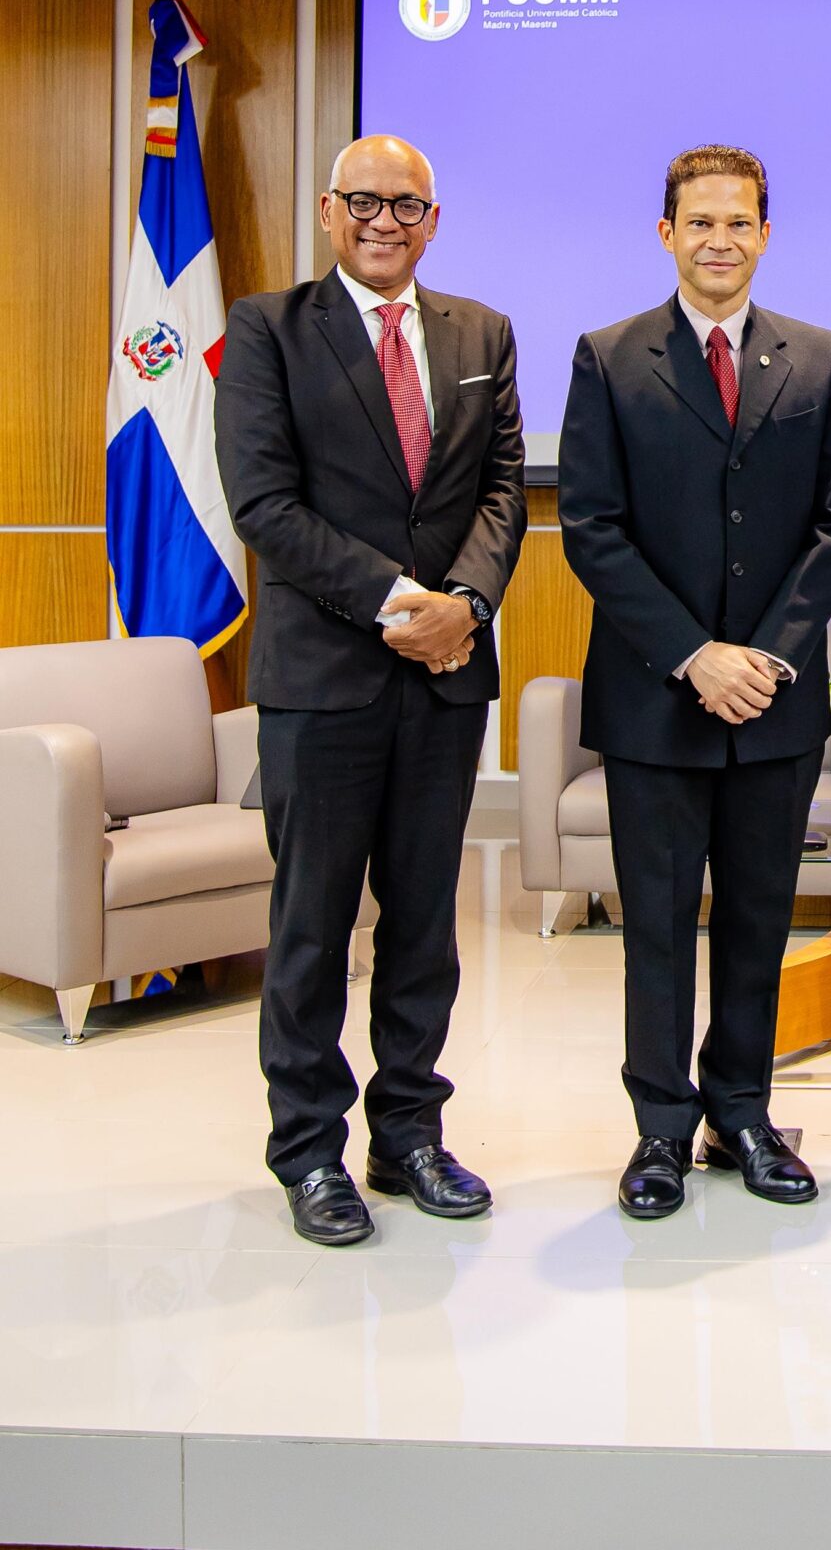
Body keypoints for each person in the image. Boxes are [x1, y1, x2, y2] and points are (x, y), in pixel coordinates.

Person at [215, 136, 526, 1247]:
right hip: (324, 680)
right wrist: (404, 603)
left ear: (433, 219)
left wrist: (466, 606)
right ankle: (309, 1151)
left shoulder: (482, 331)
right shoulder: (266, 329)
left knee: (426, 924)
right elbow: (264, 503)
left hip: (447, 681)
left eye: (406, 204)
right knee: (311, 928)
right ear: (327, 209)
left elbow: (502, 492)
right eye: (364, 201)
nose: (384, 220)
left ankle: (408, 1136)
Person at [558, 147, 831, 1221]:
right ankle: (659, 1129)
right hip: (655, 697)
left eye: (739, 222)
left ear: (765, 235)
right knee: (654, 924)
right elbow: (591, 526)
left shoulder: (816, 356)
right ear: (667, 233)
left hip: (774, 701)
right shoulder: (609, 357)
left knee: (758, 918)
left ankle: (742, 1113)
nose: (719, 240)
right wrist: (696, 653)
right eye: (700, 222)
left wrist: (768, 654)